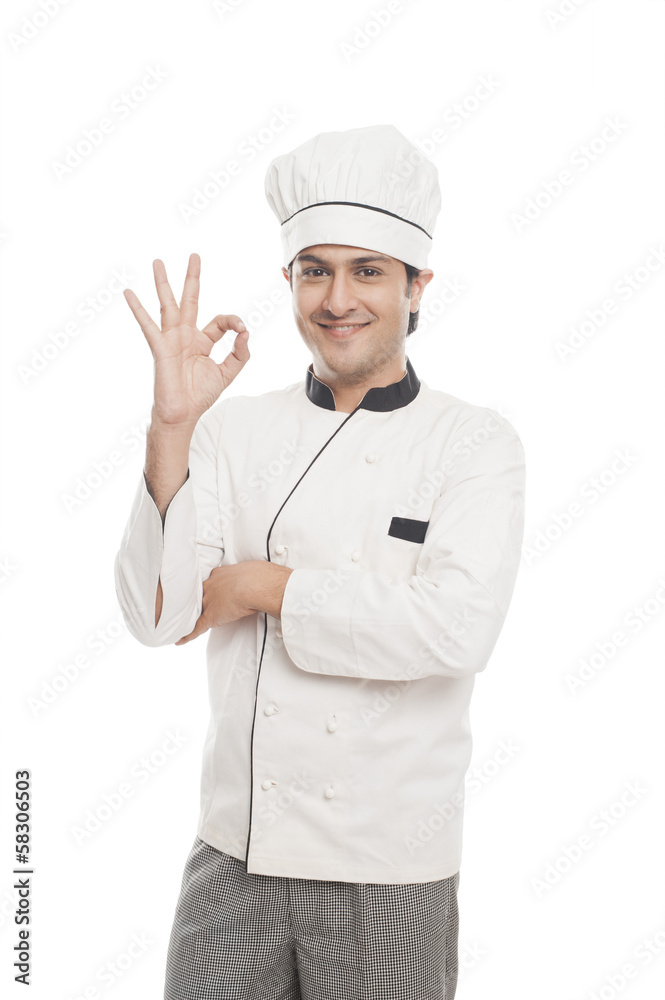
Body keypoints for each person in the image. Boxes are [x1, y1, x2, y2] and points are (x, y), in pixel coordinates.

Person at [114, 124, 526, 1000]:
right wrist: (173, 428)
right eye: (314, 271)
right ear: (291, 285)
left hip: (388, 869)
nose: (337, 298)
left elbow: (454, 630)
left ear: (418, 287)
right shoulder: (230, 430)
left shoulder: (472, 443)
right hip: (234, 854)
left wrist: (263, 584)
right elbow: (159, 617)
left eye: (367, 270)